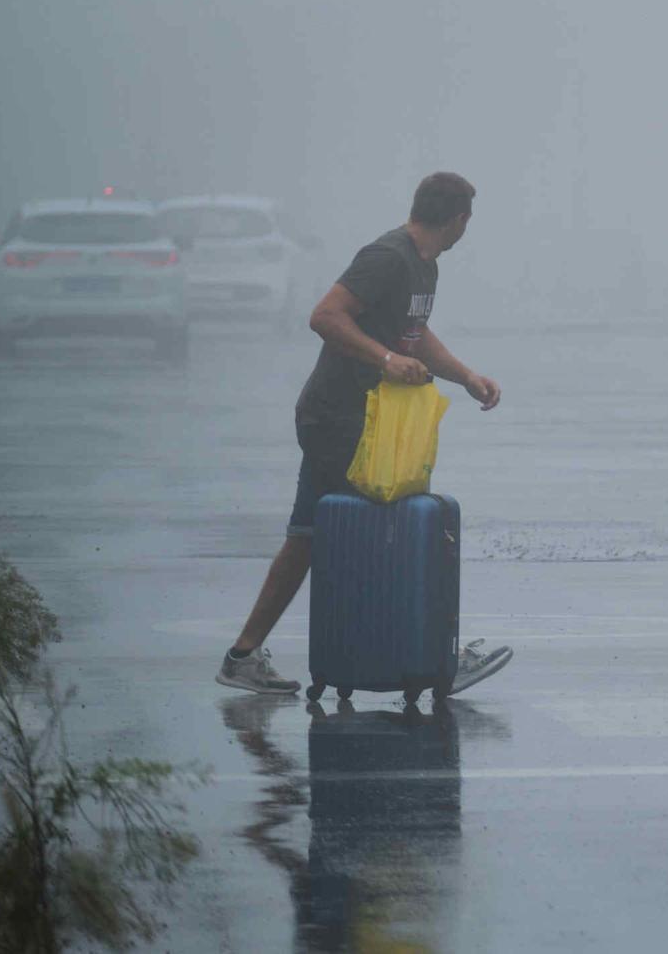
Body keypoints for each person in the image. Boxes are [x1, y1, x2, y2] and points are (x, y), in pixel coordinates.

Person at [216, 172, 513, 696]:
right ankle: (434, 658)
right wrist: (385, 358)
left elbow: (413, 336)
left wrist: (466, 376)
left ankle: (242, 656)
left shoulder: (424, 267)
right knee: (398, 522)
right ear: (460, 219)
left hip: (354, 418)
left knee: (308, 537)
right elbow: (325, 316)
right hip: (340, 418)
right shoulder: (388, 257)